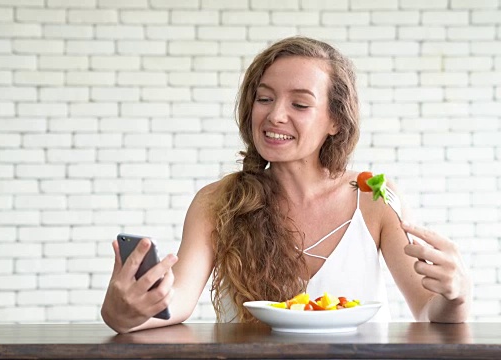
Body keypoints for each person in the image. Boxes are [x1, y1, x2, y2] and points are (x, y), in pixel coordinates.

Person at [101, 36, 472, 333]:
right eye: (265, 98)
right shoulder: (217, 202)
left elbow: (429, 313)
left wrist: (456, 295)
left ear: (335, 121)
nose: (275, 115)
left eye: (300, 104)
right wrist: (122, 312)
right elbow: (174, 304)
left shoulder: (374, 197)